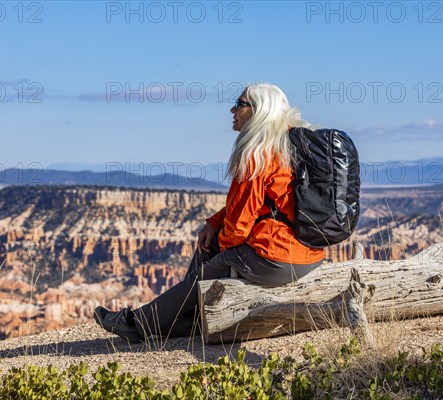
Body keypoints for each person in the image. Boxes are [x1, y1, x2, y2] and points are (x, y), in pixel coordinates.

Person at [94, 83, 325, 343]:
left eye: (240, 104)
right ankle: (185, 318)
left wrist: (221, 252)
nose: (232, 109)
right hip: (311, 254)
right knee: (211, 247)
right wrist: (214, 224)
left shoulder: (258, 154)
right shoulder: (291, 144)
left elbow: (238, 226)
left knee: (206, 271)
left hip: (278, 258)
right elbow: (264, 204)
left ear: (259, 110)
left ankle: (137, 325)